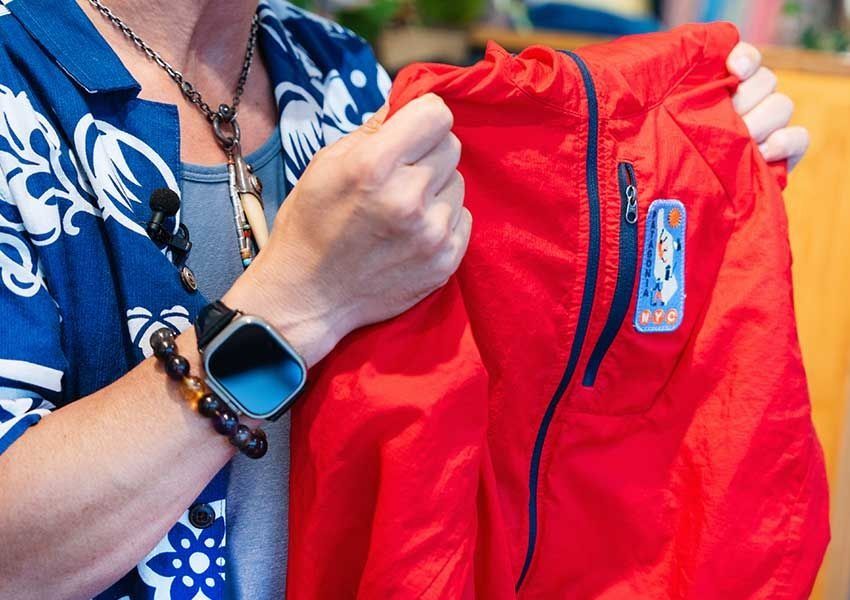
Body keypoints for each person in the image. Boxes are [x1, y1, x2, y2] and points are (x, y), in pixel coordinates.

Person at [0, 0, 809, 599]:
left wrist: (696, 182)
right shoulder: (16, 86)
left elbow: (505, 400)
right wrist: (296, 306)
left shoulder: (336, 71)